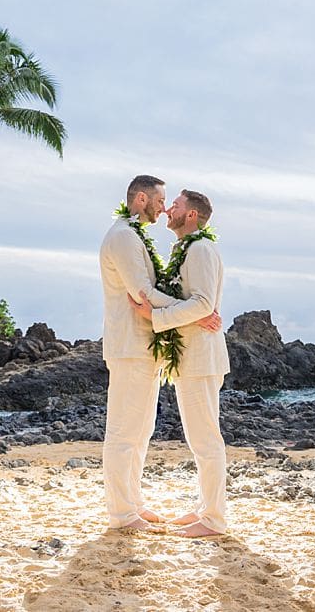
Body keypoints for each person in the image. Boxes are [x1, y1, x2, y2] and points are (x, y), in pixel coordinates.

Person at [99, 175, 221, 531]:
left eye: (172, 203)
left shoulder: (140, 237)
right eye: (161, 200)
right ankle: (123, 514)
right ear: (140, 198)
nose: (165, 207)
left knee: (140, 431)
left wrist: (191, 311)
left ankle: (133, 503)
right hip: (130, 346)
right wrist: (198, 312)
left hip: (144, 346)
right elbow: (142, 292)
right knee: (124, 432)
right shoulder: (122, 237)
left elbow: (158, 295)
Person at [130, 189, 228, 537]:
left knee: (205, 441)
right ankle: (205, 509)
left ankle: (214, 520)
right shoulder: (188, 248)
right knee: (199, 438)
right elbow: (198, 304)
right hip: (192, 355)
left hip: (201, 358)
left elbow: (202, 304)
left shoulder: (200, 248)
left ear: (191, 216)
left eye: (176, 205)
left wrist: (155, 315)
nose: (168, 208)